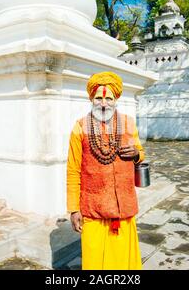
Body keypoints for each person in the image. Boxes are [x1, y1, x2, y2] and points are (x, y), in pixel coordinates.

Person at [66, 71, 145, 270]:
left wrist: (136, 153)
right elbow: (73, 170)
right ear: (92, 99)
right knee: (95, 263)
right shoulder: (80, 128)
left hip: (123, 209)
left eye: (108, 98)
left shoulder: (128, 123)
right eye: (99, 98)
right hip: (93, 208)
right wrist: (74, 209)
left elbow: (141, 154)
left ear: (115, 99)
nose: (103, 103)